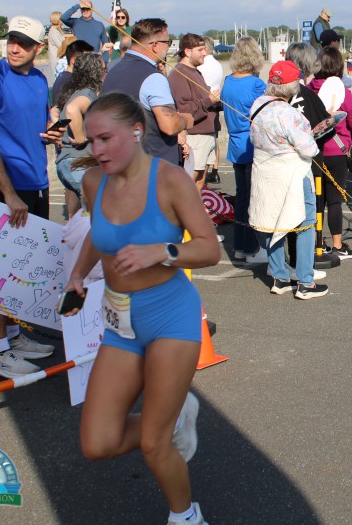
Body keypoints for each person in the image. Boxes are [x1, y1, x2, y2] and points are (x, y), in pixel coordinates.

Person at [65, 92, 219, 525]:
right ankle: (174, 419)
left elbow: (209, 250)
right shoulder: (93, 182)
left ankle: (186, 516)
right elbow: (98, 233)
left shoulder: (170, 180)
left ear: (135, 131)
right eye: (91, 141)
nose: (96, 150)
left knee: (153, 444)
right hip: (121, 324)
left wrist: (163, 251)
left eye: (105, 139)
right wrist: (78, 275)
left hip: (171, 318)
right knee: (97, 443)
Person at [0, 15, 65, 378]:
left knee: (22, 267)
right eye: (11, 39)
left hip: (35, 183)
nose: (15, 47)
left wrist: (51, 133)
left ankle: (12, 335)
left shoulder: (39, 79)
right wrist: (8, 192)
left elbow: (35, 126)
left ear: (39, 47)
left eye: (24, 42)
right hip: (2, 188)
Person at [248, 61, 328, 299]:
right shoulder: (290, 114)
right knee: (305, 225)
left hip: (265, 173)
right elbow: (309, 149)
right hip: (292, 174)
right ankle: (305, 282)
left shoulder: (258, 105)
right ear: (294, 86)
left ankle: (279, 277)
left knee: (270, 223)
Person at [102, 18, 193, 165]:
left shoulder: (112, 72)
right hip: (153, 166)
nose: (168, 47)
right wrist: (186, 120)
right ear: (155, 45)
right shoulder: (153, 77)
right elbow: (169, 126)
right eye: (167, 42)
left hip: (120, 162)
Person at [307, 47, 352, 259]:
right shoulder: (341, 92)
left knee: (316, 199)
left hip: (313, 151)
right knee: (334, 200)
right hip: (337, 151)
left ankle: (317, 242)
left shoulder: (308, 90)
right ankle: (338, 244)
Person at [221, 37, 268, 265]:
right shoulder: (256, 84)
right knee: (252, 198)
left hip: (235, 144)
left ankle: (241, 246)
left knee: (241, 197)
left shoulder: (228, 81)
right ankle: (251, 246)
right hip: (251, 144)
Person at [54, 52, 105, 216]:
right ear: (96, 72)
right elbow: (72, 109)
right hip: (78, 164)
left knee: (85, 214)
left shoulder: (72, 92)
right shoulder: (87, 94)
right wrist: (81, 138)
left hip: (70, 163)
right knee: (103, 208)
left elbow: (54, 111)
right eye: (104, 69)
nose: (106, 73)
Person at [167, 34, 220, 190]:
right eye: (200, 49)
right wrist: (209, 101)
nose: (205, 53)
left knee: (200, 182)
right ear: (187, 51)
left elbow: (201, 98)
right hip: (195, 136)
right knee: (187, 184)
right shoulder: (178, 74)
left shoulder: (195, 71)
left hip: (206, 135)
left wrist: (218, 102)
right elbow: (184, 110)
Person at [197, 37, 225, 184]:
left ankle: (204, 173)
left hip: (205, 103)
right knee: (214, 138)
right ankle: (215, 170)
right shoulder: (217, 65)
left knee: (204, 141)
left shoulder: (202, 65)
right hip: (215, 104)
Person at [46, 11, 65, 82]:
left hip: (58, 60)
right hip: (57, 61)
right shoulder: (54, 32)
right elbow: (61, 45)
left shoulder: (56, 30)